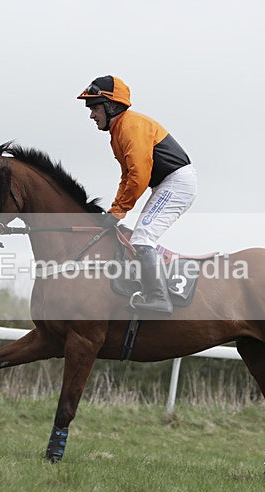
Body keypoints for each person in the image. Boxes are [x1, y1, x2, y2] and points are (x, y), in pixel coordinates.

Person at [78, 75, 198, 314]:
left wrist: (120, 211)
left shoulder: (130, 126)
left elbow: (139, 175)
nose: (91, 115)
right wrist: (115, 209)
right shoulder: (118, 132)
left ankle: (159, 297)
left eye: (94, 108)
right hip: (167, 183)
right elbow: (127, 176)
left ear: (111, 105)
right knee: (140, 237)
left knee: (142, 238)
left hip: (176, 182)